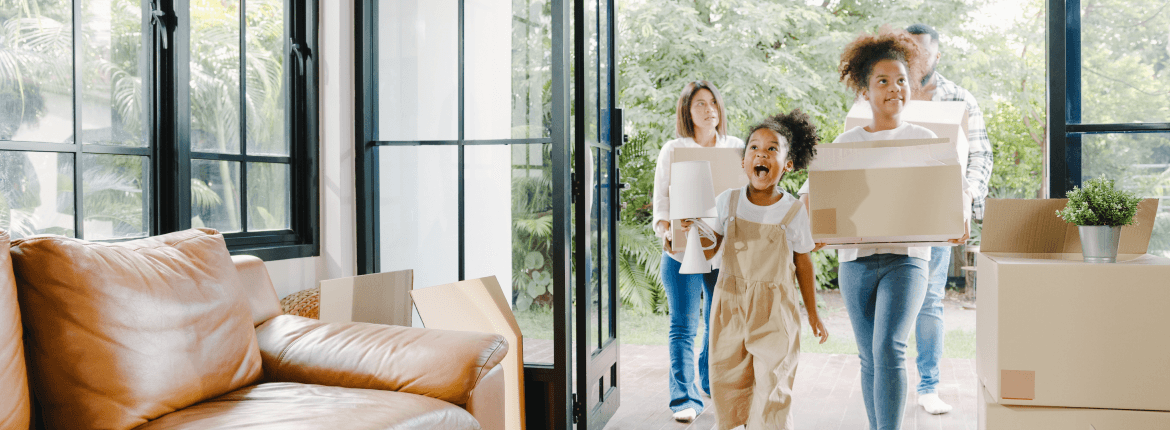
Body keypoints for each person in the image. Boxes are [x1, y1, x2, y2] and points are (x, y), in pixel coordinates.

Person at [798, 26, 969, 430]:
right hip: (855, 262)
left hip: (907, 260)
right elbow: (812, 199)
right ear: (864, 90)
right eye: (883, 81)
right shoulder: (846, 143)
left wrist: (959, 221)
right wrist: (813, 226)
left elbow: (953, 197)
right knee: (869, 357)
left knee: (890, 350)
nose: (895, 88)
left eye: (901, 81)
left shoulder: (925, 140)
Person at [688, 110, 828, 430]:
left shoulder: (793, 211)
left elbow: (804, 263)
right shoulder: (727, 202)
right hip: (730, 305)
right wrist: (697, 229)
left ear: (788, 164)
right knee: (727, 381)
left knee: (773, 387)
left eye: (772, 148)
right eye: (754, 147)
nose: (761, 153)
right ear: (743, 161)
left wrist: (813, 314)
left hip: (776, 311)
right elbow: (710, 250)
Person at [905, 22, 995, 416]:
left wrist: (966, 199)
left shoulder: (959, 98)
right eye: (909, 51)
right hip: (889, 213)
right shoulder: (884, 91)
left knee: (930, 301)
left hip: (938, 213)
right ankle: (885, 380)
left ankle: (928, 385)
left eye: (923, 52)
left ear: (936, 56)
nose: (916, 59)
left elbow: (980, 156)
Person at [651, 80, 745, 422]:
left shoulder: (736, 147)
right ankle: (684, 399)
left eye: (713, 104)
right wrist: (666, 230)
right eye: (700, 105)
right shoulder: (673, 149)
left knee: (719, 326)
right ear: (687, 112)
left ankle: (709, 383)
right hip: (682, 253)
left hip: (722, 252)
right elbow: (661, 201)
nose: (709, 110)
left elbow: (747, 196)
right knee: (683, 326)